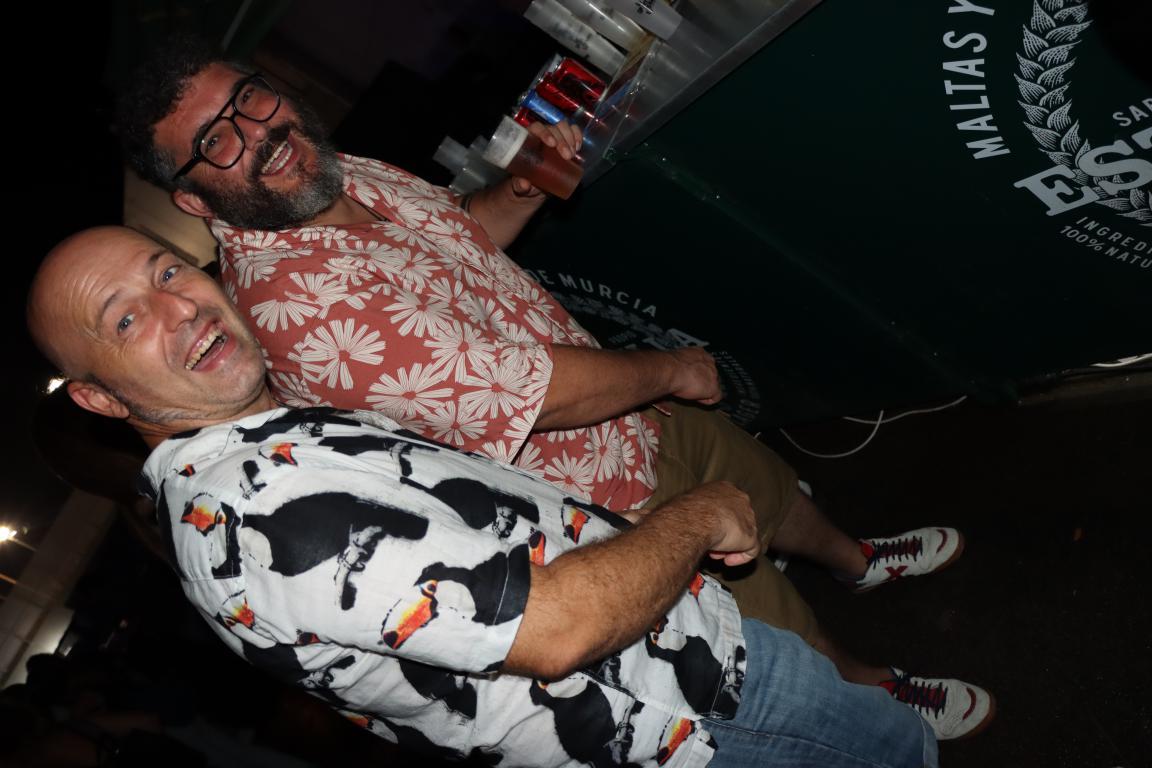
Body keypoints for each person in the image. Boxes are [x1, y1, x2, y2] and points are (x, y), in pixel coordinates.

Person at [116, 38, 982, 712]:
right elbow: (524, 394)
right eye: (216, 142)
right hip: (604, 497)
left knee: (770, 490)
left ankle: (857, 560)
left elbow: (455, 238)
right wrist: (670, 370)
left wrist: (518, 192)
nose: (259, 133)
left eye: (250, 98)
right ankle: (870, 688)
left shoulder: (338, 171)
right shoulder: (291, 306)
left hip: (631, 411)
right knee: (770, 625)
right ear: (191, 198)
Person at [28, 225, 974, 768]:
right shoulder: (260, 508)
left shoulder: (255, 443)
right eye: (126, 319)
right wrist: (694, 517)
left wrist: (624, 536)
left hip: (676, 654)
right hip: (698, 711)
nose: (179, 308)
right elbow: (558, 630)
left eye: (167, 272)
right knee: (899, 754)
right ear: (100, 399)